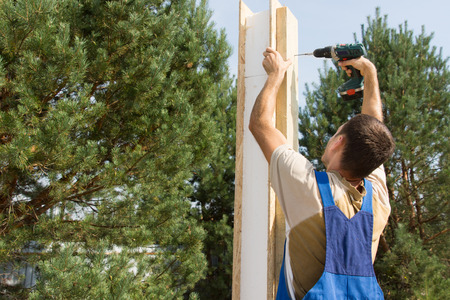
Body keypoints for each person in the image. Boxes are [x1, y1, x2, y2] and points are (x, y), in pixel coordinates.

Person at [249, 47, 395, 299]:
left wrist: (275, 75)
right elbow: (374, 129)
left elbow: (260, 125)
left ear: (338, 142)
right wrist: (369, 72)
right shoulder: (378, 198)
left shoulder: (309, 189)